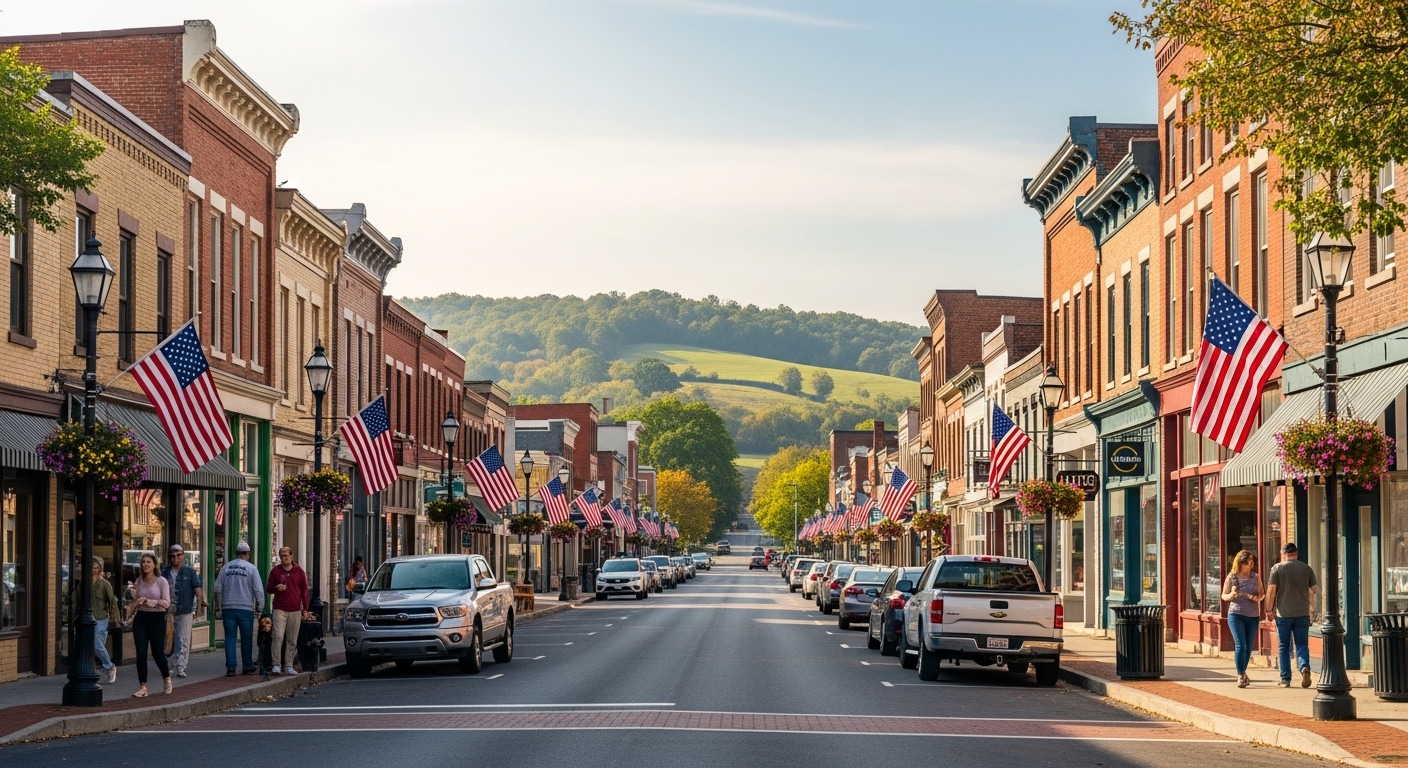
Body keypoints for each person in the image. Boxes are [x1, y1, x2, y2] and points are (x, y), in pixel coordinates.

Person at [1266, 542, 1318, 688]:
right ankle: (1304, 667)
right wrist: (1313, 609)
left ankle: (1285, 679)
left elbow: (1271, 591)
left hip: (1283, 613)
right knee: (1301, 643)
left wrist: (1268, 609)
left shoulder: (1277, 568)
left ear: (1283, 553)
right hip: (1302, 612)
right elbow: (1314, 590)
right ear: (1297, 553)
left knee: (1283, 646)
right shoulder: (1306, 568)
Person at [214, 541, 263, 676]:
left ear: (236, 553)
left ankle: (231, 667)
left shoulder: (226, 567)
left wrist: (217, 604)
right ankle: (247, 665)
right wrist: (260, 607)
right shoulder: (251, 568)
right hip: (246, 607)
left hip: (228, 607)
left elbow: (217, 587)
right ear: (248, 554)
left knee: (230, 637)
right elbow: (258, 590)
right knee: (246, 638)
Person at [130, 552, 172, 697]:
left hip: (157, 618)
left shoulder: (161, 581)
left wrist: (153, 602)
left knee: (157, 653)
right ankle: (143, 687)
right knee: (141, 653)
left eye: (148, 562)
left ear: (154, 564)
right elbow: (135, 598)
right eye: (143, 562)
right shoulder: (139, 581)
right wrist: (136, 597)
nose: (145, 565)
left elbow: (167, 602)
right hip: (141, 617)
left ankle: (166, 679)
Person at [1220, 549, 1263, 688]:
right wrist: (1231, 596)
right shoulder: (1232, 577)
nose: (1251, 564)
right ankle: (1240, 675)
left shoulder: (1255, 577)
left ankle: (1243, 672)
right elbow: (1224, 595)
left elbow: (1262, 594)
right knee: (1240, 645)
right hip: (1236, 614)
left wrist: (1257, 597)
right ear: (1241, 563)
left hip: (1252, 615)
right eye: (1249, 561)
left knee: (1249, 647)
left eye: (1252, 561)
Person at [161, 544, 205, 679]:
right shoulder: (164, 572)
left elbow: (198, 590)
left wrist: (198, 609)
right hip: (168, 611)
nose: (176, 558)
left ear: (183, 556)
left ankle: (180, 667)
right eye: (173, 556)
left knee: (183, 639)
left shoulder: (190, 572)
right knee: (169, 640)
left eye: (179, 555)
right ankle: (170, 664)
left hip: (185, 610)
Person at [265, 547, 310, 675]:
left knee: (292, 638)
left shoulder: (299, 572)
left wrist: (305, 608)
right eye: (281, 555)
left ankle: (289, 664)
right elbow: (268, 588)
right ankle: (276, 664)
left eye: (286, 555)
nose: (284, 558)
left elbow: (304, 590)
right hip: (279, 608)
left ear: (291, 556)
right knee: (277, 636)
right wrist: (276, 588)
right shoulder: (275, 571)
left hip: (295, 608)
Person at [88, 556, 118, 684]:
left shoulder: (105, 584)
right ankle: (91, 670)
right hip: (87, 618)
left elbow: (113, 602)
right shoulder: (85, 583)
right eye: (93, 568)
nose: (95, 570)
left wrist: (115, 618)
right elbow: (75, 597)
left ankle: (109, 666)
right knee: (87, 646)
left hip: (101, 618)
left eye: (97, 568)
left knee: (97, 645)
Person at [256, 613, 275, 680]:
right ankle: (264, 671)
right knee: (263, 659)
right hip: (264, 647)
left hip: (267, 646)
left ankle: (265, 671)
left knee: (265, 658)